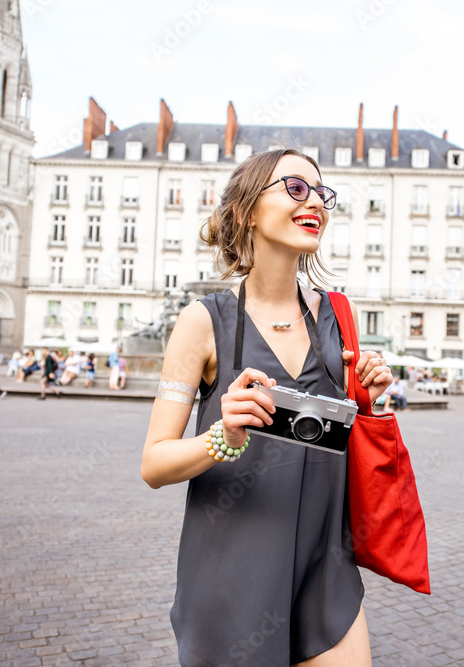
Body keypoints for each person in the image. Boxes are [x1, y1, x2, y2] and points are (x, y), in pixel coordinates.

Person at [140, 149, 390, 665]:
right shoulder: (203, 320)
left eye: (322, 193)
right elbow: (154, 464)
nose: (315, 201)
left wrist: (369, 397)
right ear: (247, 211)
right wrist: (222, 438)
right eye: (296, 188)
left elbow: (338, 440)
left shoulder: (339, 317)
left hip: (325, 571)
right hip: (233, 576)